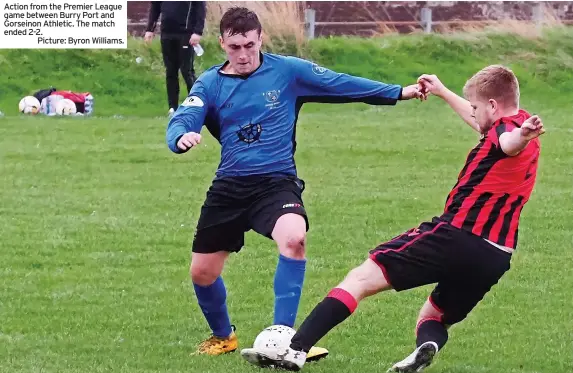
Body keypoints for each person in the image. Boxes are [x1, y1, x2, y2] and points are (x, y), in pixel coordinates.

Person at [240, 65, 545, 372]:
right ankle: (425, 348)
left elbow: (508, 141)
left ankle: (294, 350)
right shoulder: (513, 122)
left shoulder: (511, 132)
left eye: (478, 107)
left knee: (359, 279)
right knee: (433, 316)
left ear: (493, 106)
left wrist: (520, 136)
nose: (474, 113)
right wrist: (442, 91)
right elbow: (490, 127)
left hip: (456, 236)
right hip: (495, 254)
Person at [165, 6, 426, 358]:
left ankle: (285, 339)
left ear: (261, 40)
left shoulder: (286, 71)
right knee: (202, 274)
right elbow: (187, 114)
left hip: (276, 183)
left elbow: (340, 83)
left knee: (294, 239)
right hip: (229, 186)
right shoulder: (210, 82)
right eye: (234, 47)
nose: (243, 55)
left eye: (249, 45)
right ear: (222, 44)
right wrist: (180, 137)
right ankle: (223, 336)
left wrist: (398, 91)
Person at [145, 1, 207, 116]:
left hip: (186, 33)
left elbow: (200, 8)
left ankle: (197, 105)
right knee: (170, 70)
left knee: (186, 70)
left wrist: (198, 31)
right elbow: (155, 6)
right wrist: (150, 29)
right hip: (167, 33)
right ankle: (173, 108)